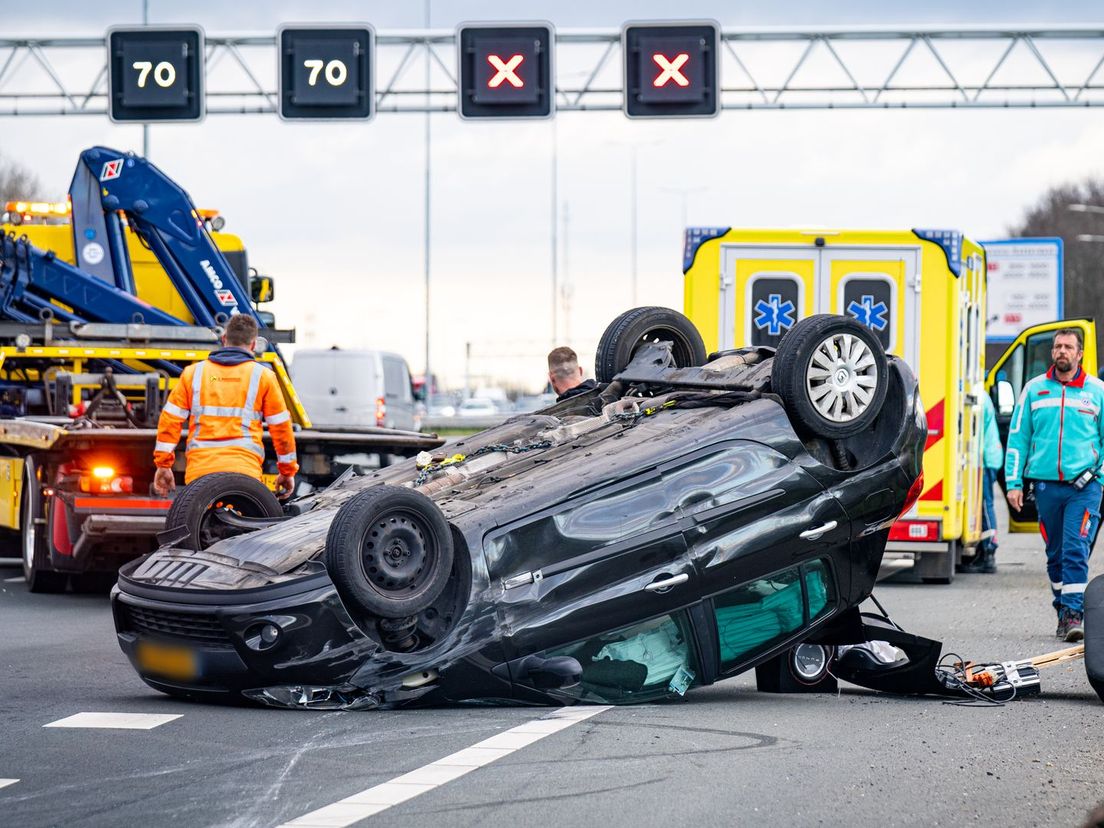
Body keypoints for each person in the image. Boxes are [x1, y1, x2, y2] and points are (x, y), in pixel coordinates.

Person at [1005, 328, 1104, 642]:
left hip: (1085, 487)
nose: (1062, 351)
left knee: (1076, 548)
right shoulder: (1034, 390)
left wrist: (1098, 473)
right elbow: (1018, 439)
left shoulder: (1098, 391)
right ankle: (1063, 608)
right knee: (1056, 554)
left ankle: (1074, 613)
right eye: (1057, 346)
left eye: (1068, 347)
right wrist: (1013, 482)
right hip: (1046, 487)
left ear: (1080, 354)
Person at [153, 314, 298, 499]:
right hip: (245, 472)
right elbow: (281, 428)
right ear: (253, 344)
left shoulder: (194, 373)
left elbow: (170, 420)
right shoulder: (263, 376)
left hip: (200, 474)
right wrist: (287, 472)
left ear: (223, 339)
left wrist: (163, 465)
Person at [963, 392, 1002, 574]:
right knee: (983, 506)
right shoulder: (983, 394)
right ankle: (983, 550)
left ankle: (988, 553)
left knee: (984, 506)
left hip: (984, 460)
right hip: (988, 457)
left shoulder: (979, 397)